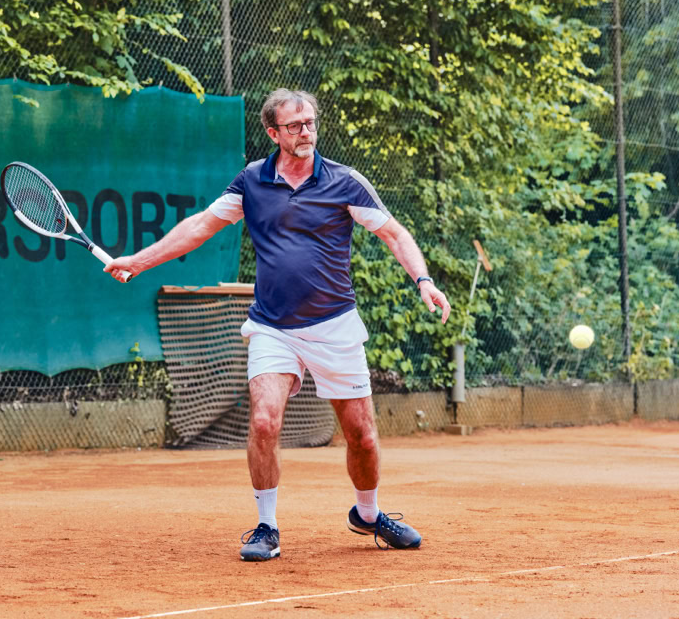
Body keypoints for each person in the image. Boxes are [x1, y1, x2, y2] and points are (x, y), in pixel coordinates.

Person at [105, 88, 451, 562]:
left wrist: (424, 280)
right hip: (273, 326)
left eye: (309, 122)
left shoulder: (344, 182)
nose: (306, 131)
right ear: (273, 133)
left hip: (335, 325)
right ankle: (266, 527)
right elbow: (199, 226)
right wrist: (139, 262)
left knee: (362, 436)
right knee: (264, 419)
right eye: (294, 126)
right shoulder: (251, 182)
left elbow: (393, 232)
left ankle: (368, 515)